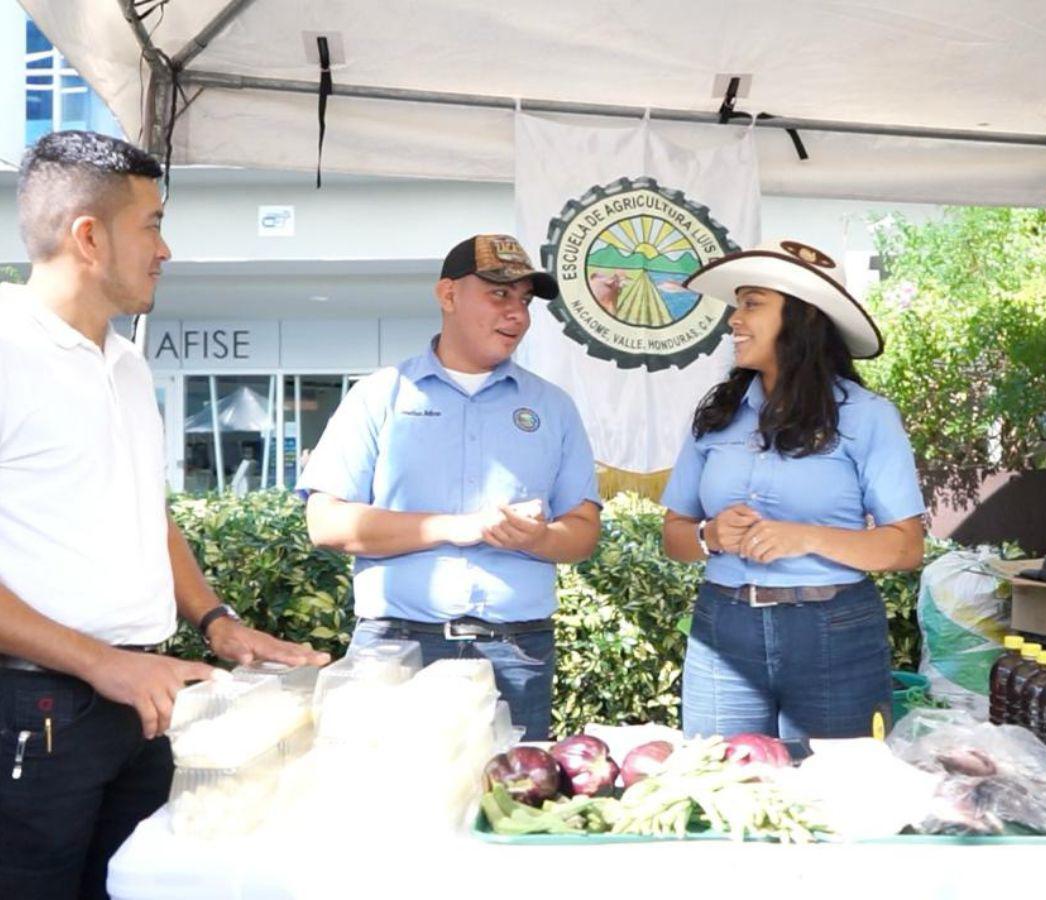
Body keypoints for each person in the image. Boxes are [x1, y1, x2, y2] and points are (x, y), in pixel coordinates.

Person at [0, 131, 330, 900]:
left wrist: (218, 621)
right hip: (33, 710)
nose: (167, 248)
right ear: (89, 236)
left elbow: (150, 516)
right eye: (151, 223)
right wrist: (100, 663)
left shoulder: (125, 359)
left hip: (139, 699)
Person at [301, 234, 601, 740]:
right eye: (499, 294)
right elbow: (325, 522)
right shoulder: (380, 395)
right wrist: (458, 528)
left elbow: (584, 529)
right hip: (395, 648)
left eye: (525, 301)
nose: (517, 314)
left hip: (518, 651)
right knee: (390, 805)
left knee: (505, 806)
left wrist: (539, 538)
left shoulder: (553, 407)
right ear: (447, 295)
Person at [660, 239, 926, 742]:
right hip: (724, 628)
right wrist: (709, 534)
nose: (734, 320)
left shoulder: (867, 416)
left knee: (837, 800)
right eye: (738, 304)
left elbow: (906, 546)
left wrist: (806, 537)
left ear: (802, 318)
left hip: (836, 631)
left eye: (752, 303)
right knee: (723, 792)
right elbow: (673, 536)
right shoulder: (716, 417)